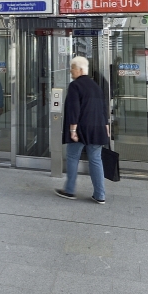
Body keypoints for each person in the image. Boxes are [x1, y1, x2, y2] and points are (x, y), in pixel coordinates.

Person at [56, 56, 110, 204]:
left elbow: (74, 109)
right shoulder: (96, 86)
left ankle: (69, 190)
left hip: (81, 128)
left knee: (73, 157)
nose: (70, 71)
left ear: (80, 70)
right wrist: (106, 126)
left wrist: (72, 130)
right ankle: (100, 195)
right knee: (96, 160)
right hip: (98, 128)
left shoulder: (75, 86)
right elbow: (103, 108)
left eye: (72, 68)